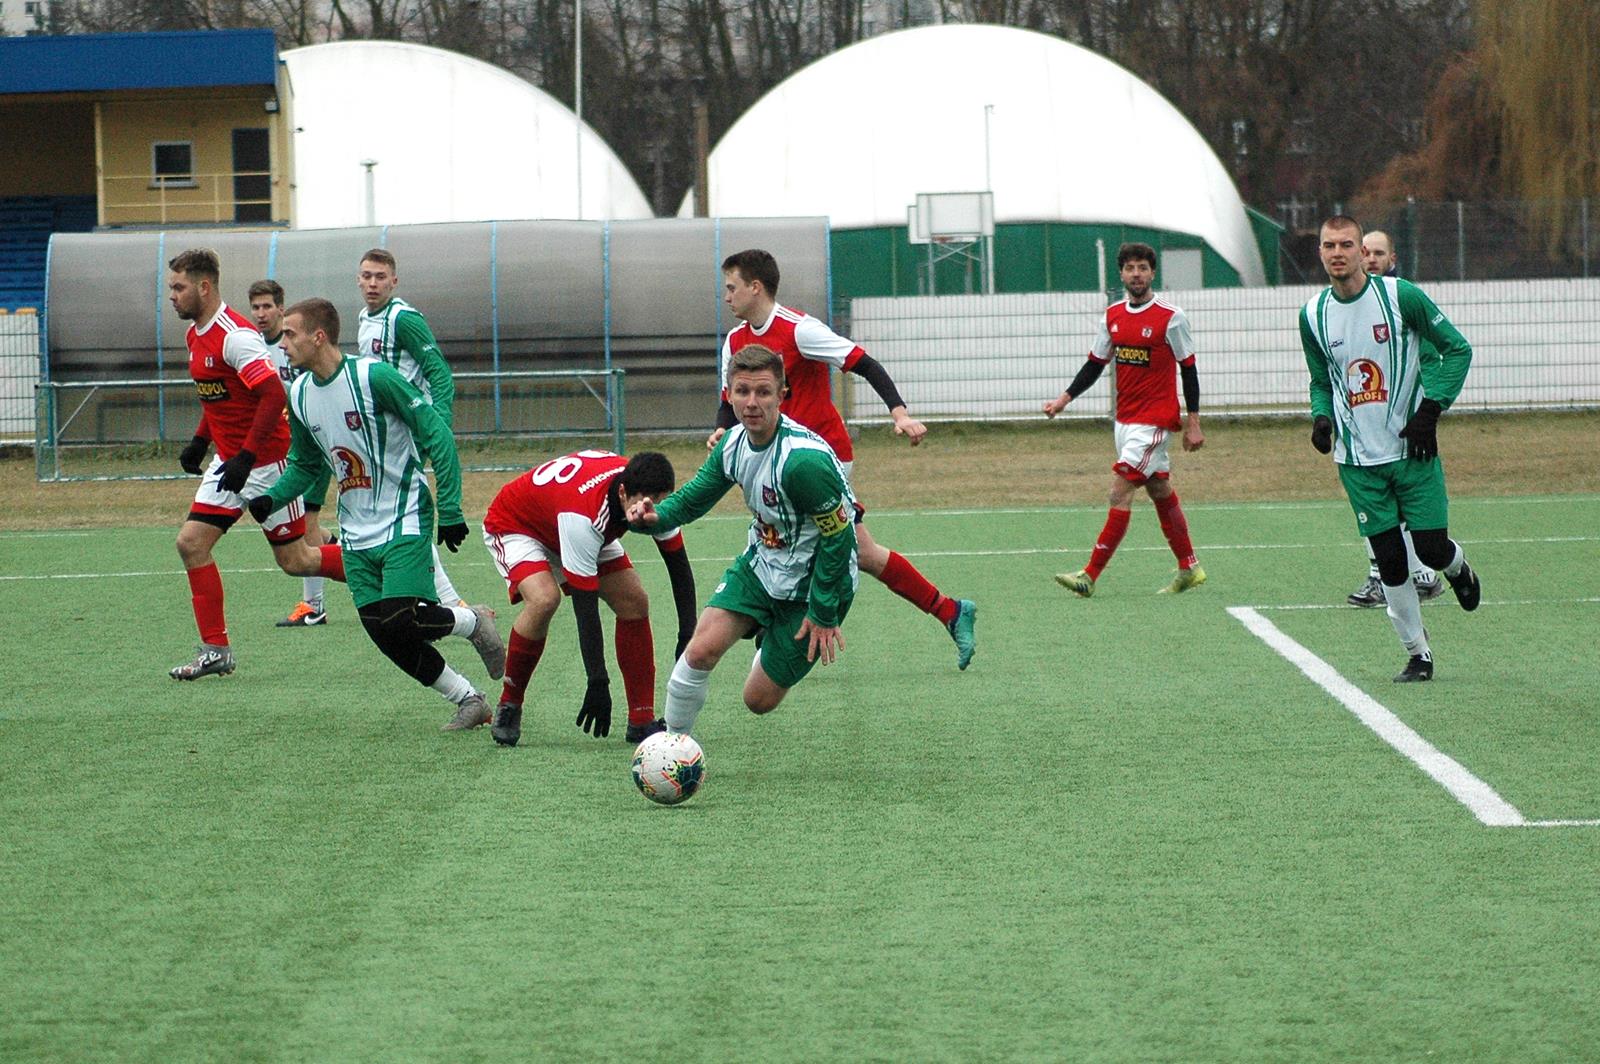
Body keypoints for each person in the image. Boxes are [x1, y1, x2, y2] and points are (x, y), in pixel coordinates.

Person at [707, 248, 976, 669]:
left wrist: (899, 412)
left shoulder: (799, 330)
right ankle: (950, 611)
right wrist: (723, 428)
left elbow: (863, 362)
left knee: (792, 541)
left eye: (731, 287)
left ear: (754, 287)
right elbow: (728, 400)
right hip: (775, 461)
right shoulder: (735, 341)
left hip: (822, 458)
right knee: (861, 551)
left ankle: (771, 623)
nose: (726, 296)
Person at [245, 298, 506, 728]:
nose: (281, 341)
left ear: (319, 336)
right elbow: (305, 464)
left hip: (404, 515)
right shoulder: (302, 395)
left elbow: (435, 433)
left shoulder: (374, 377)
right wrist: (271, 498)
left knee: (402, 618)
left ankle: (473, 621)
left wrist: (452, 507)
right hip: (355, 531)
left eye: (290, 333)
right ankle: (469, 699)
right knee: (383, 632)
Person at [632, 345, 857, 737]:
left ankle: (771, 641)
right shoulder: (732, 443)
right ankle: (671, 745)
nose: (752, 403)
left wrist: (823, 611)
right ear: (729, 393)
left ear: (782, 394)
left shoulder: (802, 463)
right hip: (762, 565)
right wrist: (656, 517)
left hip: (815, 585)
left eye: (763, 392)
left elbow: (840, 538)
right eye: (742, 391)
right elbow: (694, 497)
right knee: (700, 649)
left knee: (758, 701)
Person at [1302, 215, 1482, 682]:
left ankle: (1457, 567)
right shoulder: (1313, 315)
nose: (1337, 252)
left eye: (1346, 244)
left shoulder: (1402, 297)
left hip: (1413, 451)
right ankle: (1418, 653)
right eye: (1328, 245)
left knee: (1431, 547)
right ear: (1319, 252)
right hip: (1358, 462)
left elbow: (1457, 350)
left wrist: (1432, 409)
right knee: (1390, 563)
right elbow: (1321, 380)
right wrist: (1321, 418)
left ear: (1364, 252)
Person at [166, 249, 346, 681]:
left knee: (298, 560)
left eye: (178, 287)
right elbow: (221, 398)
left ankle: (387, 569)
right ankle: (216, 650)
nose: (171, 296)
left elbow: (271, 396)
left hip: (268, 464)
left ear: (204, 287)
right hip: (231, 463)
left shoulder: (236, 336)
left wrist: (247, 456)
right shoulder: (196, 335)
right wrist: (199, 441)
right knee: (191, 543)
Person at [481, 450, 699, 747]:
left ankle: (641, 720)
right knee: (545, 599)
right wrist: (598, 681)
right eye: (644, 504)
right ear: (623, 492)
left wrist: (688, 634)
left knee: (634, 601)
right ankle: (509, 704)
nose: (651, 511)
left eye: (658, 503)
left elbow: (679, 567)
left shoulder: (653, 500)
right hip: (520, 525)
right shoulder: (584, 516)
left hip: (570, 519)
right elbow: (586, 608)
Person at [1042, 242, 1206, 596]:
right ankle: (1189, 567)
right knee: (1160, 490)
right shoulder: (1112, 316)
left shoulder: (1171, 316)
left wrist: (1193, 422)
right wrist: (1063, 399)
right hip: (1125, 422)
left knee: (1119, 492)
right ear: (1121, 274)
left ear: (1152, 273)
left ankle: (1089, 575)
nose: (1136, 274)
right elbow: (1094, 364)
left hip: (1154, 423)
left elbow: (1189, 369)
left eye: (1143, 268)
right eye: (1130, 268)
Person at [355, 248, 472, 611]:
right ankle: (447, 599)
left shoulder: (403, 319)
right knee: (396, 510)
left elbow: (438, 371)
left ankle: (448, 602)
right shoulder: (365, 317)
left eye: (380, 277)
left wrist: (438, 425)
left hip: (406, 428)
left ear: (394, 281)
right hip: (381, 432)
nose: (372, 283)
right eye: (366, 276)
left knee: (402, 510)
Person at [1343, 230, 1444, 608]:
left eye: (1378, 253)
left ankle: (1400, 575)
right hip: (1363, 429)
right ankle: (1416, 575)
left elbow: (1434, 356)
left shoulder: (1404, 300)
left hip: (1407, 426)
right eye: (1365, 252)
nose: (1370, 259)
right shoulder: (1344, 305)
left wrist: (1428, 411)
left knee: (1399, 509)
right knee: (1384, 508)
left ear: (1393, 258)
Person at [249, 278, 338, 627]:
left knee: (307, 525)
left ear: (281, 309)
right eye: (255, 307)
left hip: (311, 448)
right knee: (313, 528)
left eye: (267, 306)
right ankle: (342, 549)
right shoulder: (253, 349)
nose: (260, 313)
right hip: (285, 453)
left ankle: (313, 606)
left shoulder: (300, 345)